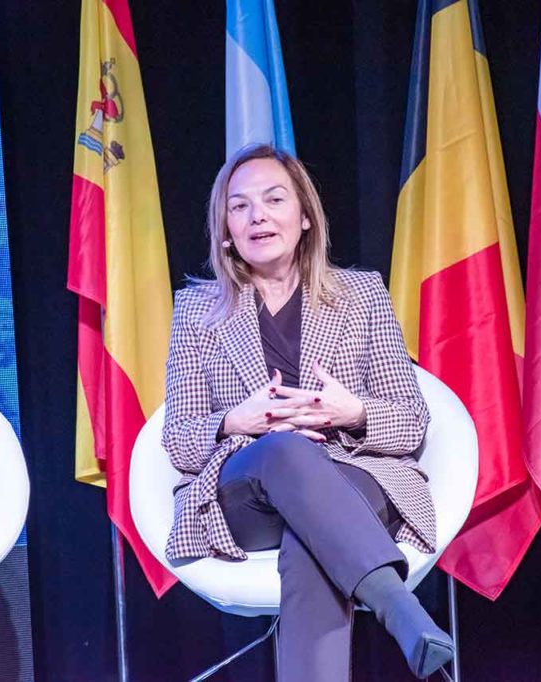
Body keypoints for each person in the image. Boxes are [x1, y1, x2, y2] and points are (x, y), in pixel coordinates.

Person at [161, 143, 452, 681]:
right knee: (285, 451)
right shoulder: (197, 309)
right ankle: (397, 606)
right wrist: (236, 421)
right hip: (247, 493)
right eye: (240, 206)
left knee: (311, 542)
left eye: (274, 199)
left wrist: (351, 410)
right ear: (225, 228)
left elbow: (411, 421)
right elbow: (178, 439)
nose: (258, 216)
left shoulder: (362, 294)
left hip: (353, 477)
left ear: (304, 217)